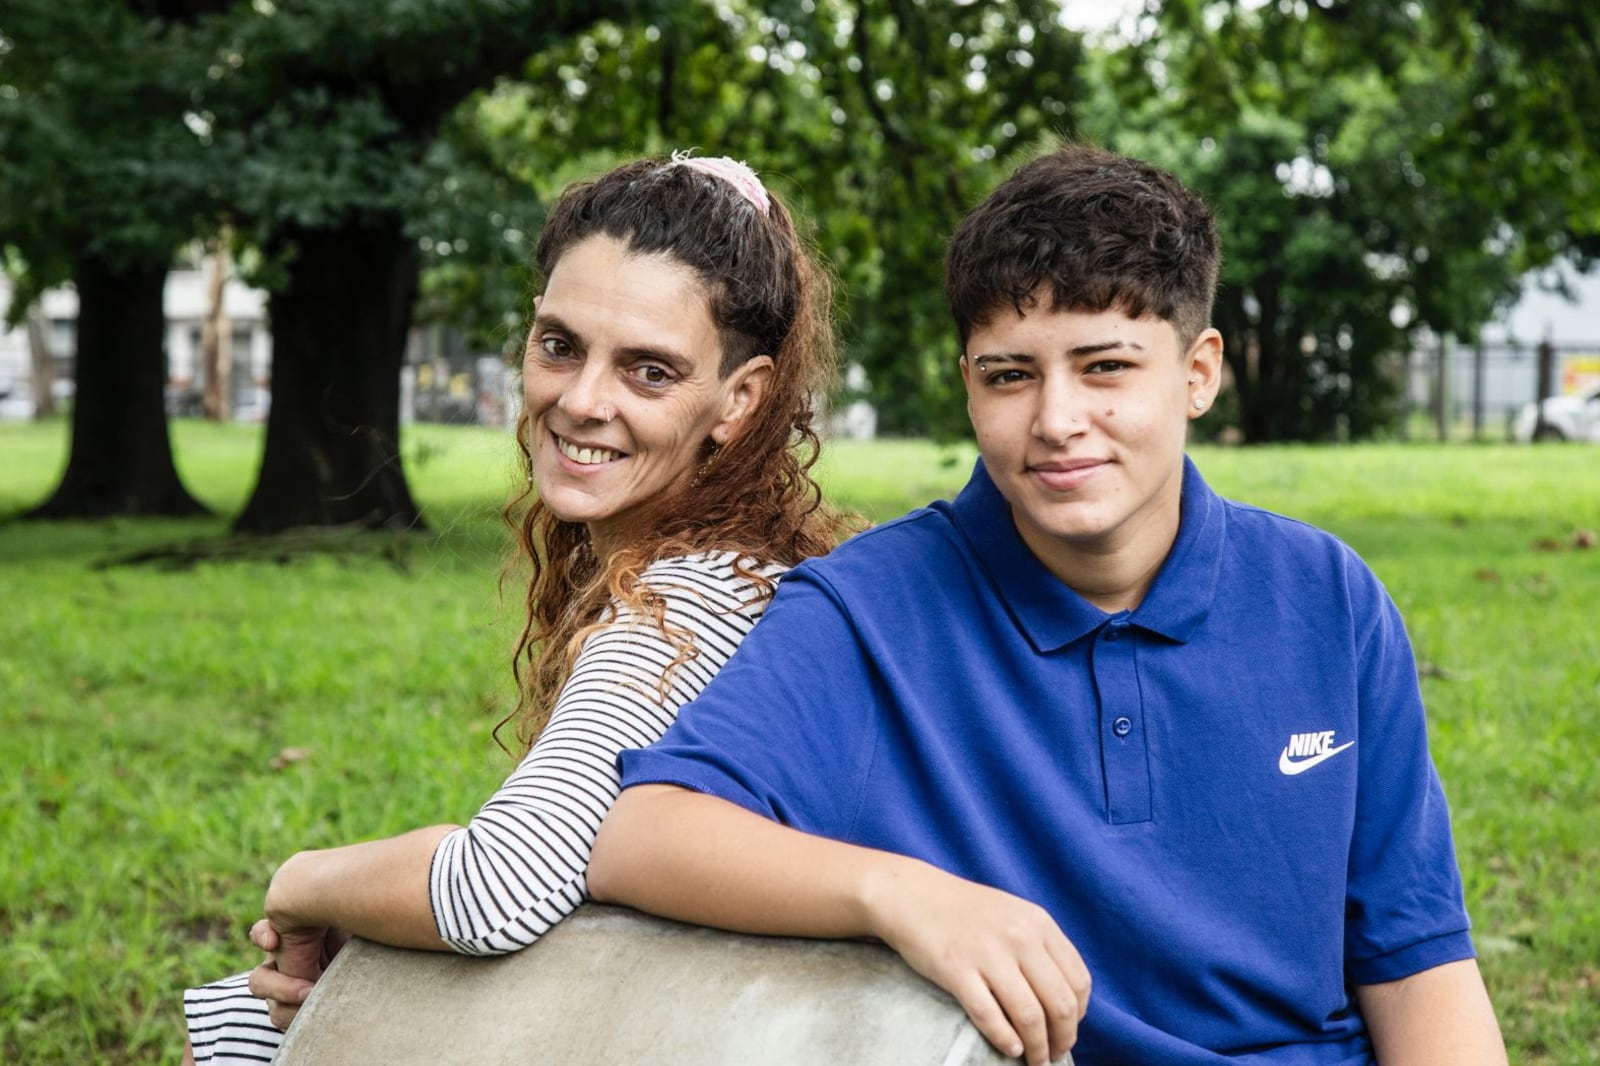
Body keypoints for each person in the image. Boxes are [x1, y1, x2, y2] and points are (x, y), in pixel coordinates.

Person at [587, 143, 1509, 1066]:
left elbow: (1417, 967)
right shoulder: (867, 608)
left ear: (1198, 373)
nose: (1057, 420)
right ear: (969, 386)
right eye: (1010, 375)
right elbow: (643, 833)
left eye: (1105, 367)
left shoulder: (1329, 600)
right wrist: (905, 895)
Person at [181, 152, 847, 1064]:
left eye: (648, 372)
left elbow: (496, 889)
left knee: (261, 1030)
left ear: (741, 399)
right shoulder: (744, 565)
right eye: (560, 345)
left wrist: (304, 881)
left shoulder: (686, 603)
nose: (580, 401)